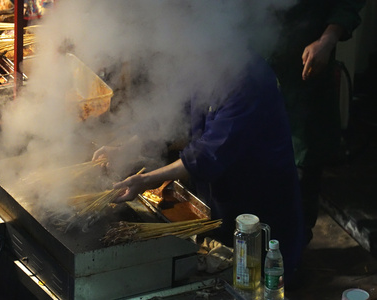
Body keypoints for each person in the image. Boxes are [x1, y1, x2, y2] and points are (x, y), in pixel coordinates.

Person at [93, 52, 306, 286]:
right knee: (223, 270)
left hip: (259, 203)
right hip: (221, 199)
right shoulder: (201, 63)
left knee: (259, 281)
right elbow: (170, 120)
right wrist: (124, 148)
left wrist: (145, 179)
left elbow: (208, 154)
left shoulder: (249, 81)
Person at [268, 0, 365, 244]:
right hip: (261, 61)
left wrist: (328, 39)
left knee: (301, 165)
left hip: (304, 68)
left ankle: (294, 249)